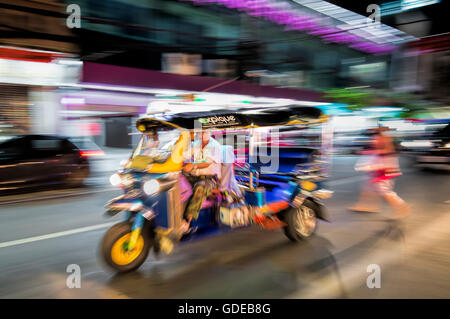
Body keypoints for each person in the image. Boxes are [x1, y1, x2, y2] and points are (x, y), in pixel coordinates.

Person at [348, 125, 411, 219]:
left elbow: (387, 151)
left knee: (385, 191)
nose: (372, 132)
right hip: (379, 166)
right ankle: (366, 206)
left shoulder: (385, 138)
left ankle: (402, 207)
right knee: (368, 186)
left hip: (385, 168)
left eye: (375, 130)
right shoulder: (380, 137)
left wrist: (369, 153)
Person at [180, 130, 223, 233]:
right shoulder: (195, 144)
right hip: (194, 176)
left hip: (210, 178)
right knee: (177, 181)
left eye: (202, 131)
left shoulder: (215, 145)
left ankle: (188, 220)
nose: (199, 134)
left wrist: (193, 165)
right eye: (198, 132)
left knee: (199, 188)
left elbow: (207, 163)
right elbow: (184, 155)